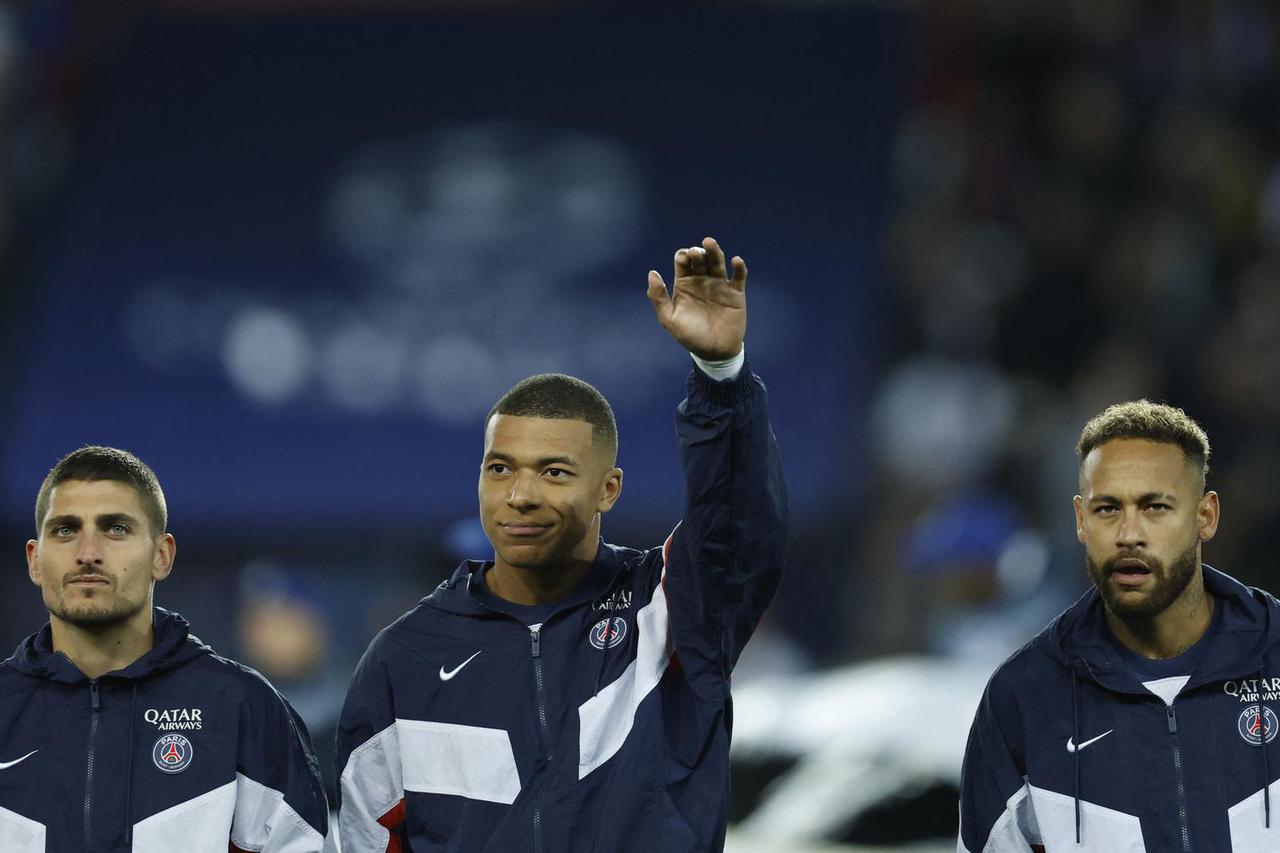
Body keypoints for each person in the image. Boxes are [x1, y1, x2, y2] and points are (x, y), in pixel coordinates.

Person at [334, 237, 788, 852]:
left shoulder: (669, 612)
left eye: (554, 472)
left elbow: (738, 525)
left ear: (608, 490)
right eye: (500, 468)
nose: (520, 495)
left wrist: (721, 378)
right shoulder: (404, 657)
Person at [958, 400, 1280, 851]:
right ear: (1080, 520)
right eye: (1107, 509)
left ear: (1205, 516)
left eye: (1155, 507)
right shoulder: (1025, 697)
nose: (1129, 534)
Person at [0, 446, 329, 851]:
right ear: (35, 560)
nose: (87, 554)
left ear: (162, 555)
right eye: (65, 530)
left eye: (115, 529)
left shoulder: (241, 709)